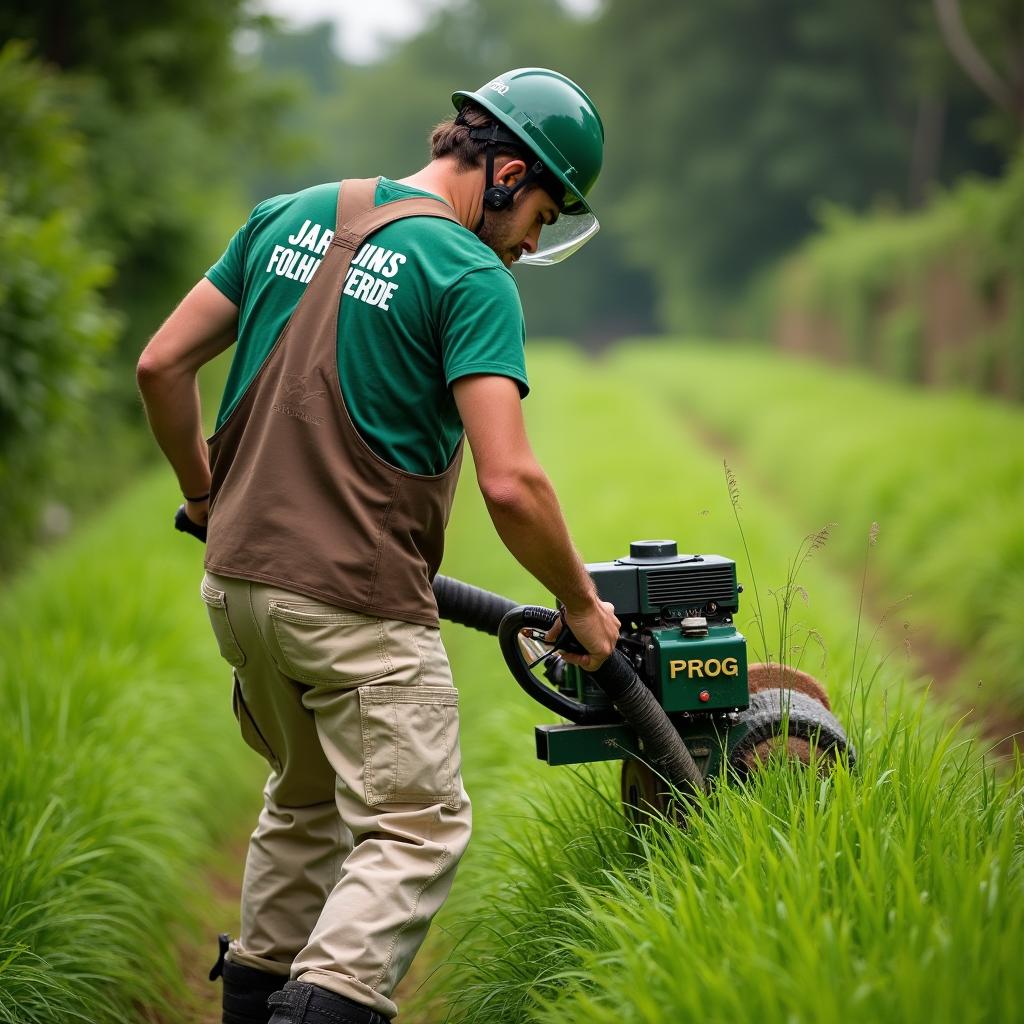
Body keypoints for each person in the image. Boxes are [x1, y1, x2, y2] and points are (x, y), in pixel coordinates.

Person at [136, 67, 620, 1024]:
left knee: (305, 803)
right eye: (544, 219)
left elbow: (159, 364)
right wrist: (578, 605)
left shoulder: (293, 213)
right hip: (353, 601)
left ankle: (258, 997)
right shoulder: (469, 274)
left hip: (236, 587)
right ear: (509, 173)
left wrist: (204, 498)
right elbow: (512, 481)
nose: (531, 244)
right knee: (416, 827)